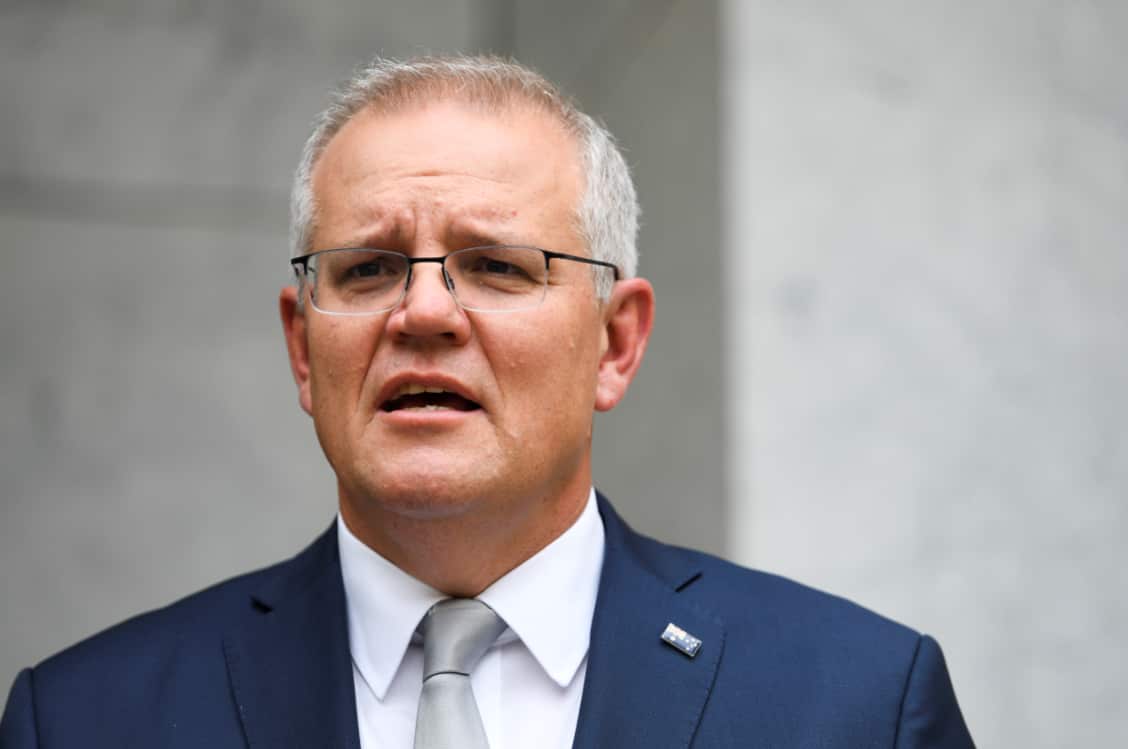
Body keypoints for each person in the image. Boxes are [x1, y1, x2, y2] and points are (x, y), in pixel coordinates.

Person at [0, 55, 974, 748]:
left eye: (498, 265)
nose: (424, 309)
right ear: (304, 348)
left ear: (616, 340)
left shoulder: (857, 704)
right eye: (371, 265)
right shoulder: (89, 718)